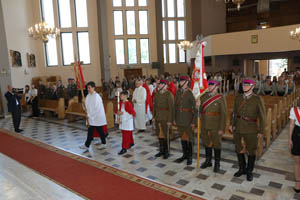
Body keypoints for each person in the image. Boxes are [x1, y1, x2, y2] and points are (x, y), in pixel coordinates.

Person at [230, 78, 265, 181]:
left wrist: (261, 131)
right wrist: (232, 124)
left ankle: (249, 171)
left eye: (247, 85)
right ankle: (242, 168)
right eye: (243, 85)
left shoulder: (258, 99)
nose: (244, 86)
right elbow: (234, 113)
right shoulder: (238, 98)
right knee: (239, 148)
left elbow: (262, 117)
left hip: (251, 129)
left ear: (252, 86)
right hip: (238, 127)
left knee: (251, 150)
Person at [198, 79, 226, 172]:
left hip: (215, 125)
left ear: (216, 87)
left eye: (211, 85)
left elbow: (223, 114)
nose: (209, 87)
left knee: (217, 144)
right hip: (205, 124)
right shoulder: (203, 97)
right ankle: (208, 161)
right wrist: (197, 105)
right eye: (209, 85)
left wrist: (222, 128)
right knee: (206, 143)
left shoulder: (220, 98)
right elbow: (199, 110)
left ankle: (217, 164)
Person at [174, 76, 196, 166]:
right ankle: (184, 155)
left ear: (187, 82)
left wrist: (194, 122)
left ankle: (190, 157)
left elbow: (195, 109)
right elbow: (175, 106)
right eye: (179, 81)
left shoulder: (190, 93)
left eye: (182, 81)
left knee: (190, 138)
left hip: (188, 119)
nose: (180, 82)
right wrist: (174, 118)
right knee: (182, 137)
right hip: (179, 119)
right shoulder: (178, 92)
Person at [79, 81, 107, 152]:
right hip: (91, 117)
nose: (88, 89)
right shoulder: (88, 96)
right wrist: (83, 103)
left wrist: (89, 115)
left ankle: (104, 143)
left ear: (93, 88)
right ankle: (87, 145)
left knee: (100, 130)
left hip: (97, 117)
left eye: (89, 88)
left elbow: (97, 109)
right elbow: (86, 106)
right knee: (90, 131)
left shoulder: (96, 96)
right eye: (87, 88)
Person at [153, 79, 174, 159]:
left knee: (166, 135)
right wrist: (154, 117)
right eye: (159, 84)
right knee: (159, 134)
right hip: (158, 117)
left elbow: (171, 109)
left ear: (166, 85)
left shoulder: (169, 94)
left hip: (165, 117)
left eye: (161, 84)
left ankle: (166, 151)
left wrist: (170, 120)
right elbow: (155, 106)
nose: (159, 85)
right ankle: (161, 150)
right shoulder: (157, 94)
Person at [115, 91, 136, 155]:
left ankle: (124, 148)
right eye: (120, 95)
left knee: (125, 135)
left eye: (121, 95)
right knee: (128, 133)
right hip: (123, 121)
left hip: (127, 121)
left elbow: (132, 114)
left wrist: (122, 114)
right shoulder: (121, 103)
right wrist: (118, 113)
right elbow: (117, 111)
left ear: (125, 96)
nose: (120, 96)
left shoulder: (128, 103)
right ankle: (131, 142)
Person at [289, 104, 300, 193]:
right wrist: (290, 139)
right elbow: (291, 125)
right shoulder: (295, 110)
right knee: (297, 161)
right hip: (297, 135)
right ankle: (298, 184)